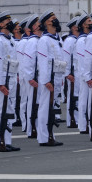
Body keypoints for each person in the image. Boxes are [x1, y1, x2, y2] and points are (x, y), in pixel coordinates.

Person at [0, 11, 20, 152]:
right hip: (3, 81)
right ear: (0, 24)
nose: (10, 22)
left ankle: (6, 140)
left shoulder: (10, 40)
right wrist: (0, 84)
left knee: (8, 111)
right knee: (0, 110)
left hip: (11, 79)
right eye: (6, 21)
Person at [35, 10, 65, 147]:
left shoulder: (57, 38)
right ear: (47, 22)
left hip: (57, 77)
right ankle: (43, 137)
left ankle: (50, 135)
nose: (56, 20)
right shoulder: (44, 40)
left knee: (51, 108)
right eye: (53, 18)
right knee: (44, 108)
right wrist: (46, 80)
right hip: (49, 80)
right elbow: (43, 62)